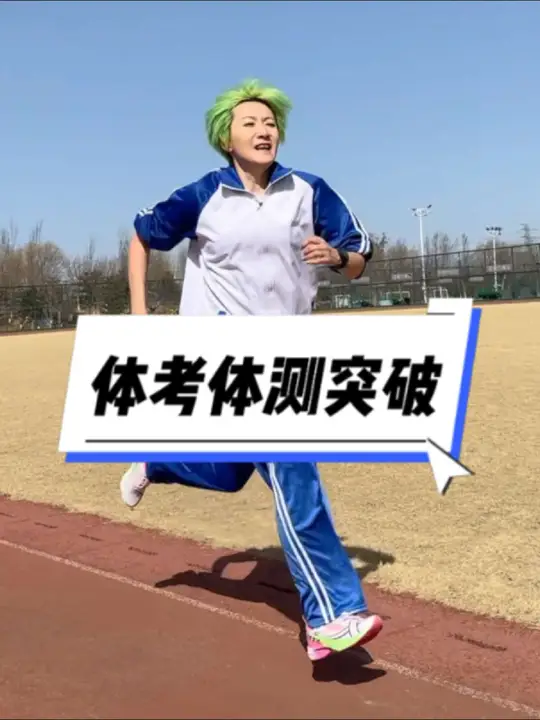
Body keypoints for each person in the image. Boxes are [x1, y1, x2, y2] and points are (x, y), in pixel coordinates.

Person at [121, 79, 383, 662]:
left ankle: (158, 462)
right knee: (295, 476)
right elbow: (141, 236)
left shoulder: (309, 190)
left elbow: (359, 258)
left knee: (230, 471)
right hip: (225, 358)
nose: (264, 131)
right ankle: (330, 616)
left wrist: (338, 256)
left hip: (290, 357)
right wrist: (140, 316)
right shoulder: (203, 195)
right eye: (250, 123)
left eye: (270, 123)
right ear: (226, 138)